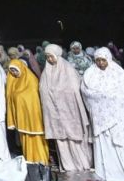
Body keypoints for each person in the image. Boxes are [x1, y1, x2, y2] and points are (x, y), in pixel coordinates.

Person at [81, 47, 124, 180]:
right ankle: (106, 173)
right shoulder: (90, 74)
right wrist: (105, 97)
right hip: (100, 119)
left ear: (108, 59)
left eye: (103, 60)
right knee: (105, 147)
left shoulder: (119, 74)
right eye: (97, 60)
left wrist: (105, 97)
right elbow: (87, 93)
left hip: (118, 119)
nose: (100, 63)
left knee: (120, 148)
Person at [39, 44, 92, 172]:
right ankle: (68, 167)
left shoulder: (68, 69)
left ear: (57, 55)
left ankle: (82, 165)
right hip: (55, 114)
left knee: (74, 140)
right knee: (61, 141)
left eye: (51, 57)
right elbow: (43, 90)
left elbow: (74, 89)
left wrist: (58, 93)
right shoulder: (46, 72)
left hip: (70, 113)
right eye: (47, 57)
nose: (50, 60)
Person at [6, 59, 49, 164]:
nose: (14, 73)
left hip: (33, 116)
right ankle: (29, 158)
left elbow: (32, 98)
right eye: (11, 71)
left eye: (15, 70)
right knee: (25, 139)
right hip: (22, 117)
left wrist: (19, 96)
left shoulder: (31, 79)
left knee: (36, 138)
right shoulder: (13, 80)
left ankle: (41, 159)